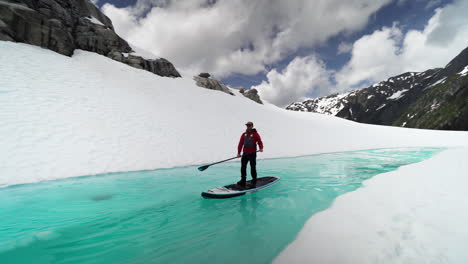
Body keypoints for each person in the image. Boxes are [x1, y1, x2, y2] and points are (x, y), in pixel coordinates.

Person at [237, 121, 263, 187]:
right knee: (243, 167)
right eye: (247, 125)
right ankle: (243, 180)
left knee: (253, 167)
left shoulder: (256, 134)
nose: (248, 126)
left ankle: (254, 180)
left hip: (252, 154)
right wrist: (239, 153)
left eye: (249, 125)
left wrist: (261, 148)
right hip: (245, 153)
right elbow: (240, 144)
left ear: (252, 126)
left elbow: (260, 141)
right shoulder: (244, 134)